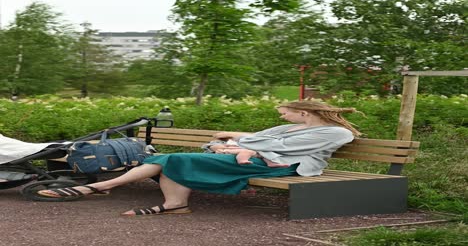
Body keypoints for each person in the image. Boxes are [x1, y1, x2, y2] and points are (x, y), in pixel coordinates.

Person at [37, 100, 362, 216]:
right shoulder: (284, 128)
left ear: (303, 112)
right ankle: (173, 205)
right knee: (172, 159)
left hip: (282, 167)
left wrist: (244, 147)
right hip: (254, 157)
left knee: (174, 160)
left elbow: (275, 148)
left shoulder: (337, 133)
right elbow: (245, 139)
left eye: (285, 112)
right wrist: (232, 145)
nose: (282, 116)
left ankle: (104, 186)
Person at [203, 139, 290, 167]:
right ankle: (242, 160)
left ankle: (271, 163)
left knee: (264, 152)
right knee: (246, 151)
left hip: (247, 151)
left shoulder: (244, 141)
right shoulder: (226, 143)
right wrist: (223, 148)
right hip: (230, 152)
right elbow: (209, 146)